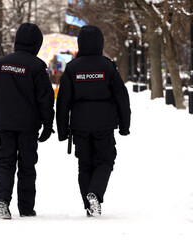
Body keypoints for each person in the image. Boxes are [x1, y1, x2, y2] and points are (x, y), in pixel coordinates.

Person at [56, 25, 131, 217]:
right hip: (104, 123)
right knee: (105, 160)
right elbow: (122, 97)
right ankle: (95, 193)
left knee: (85, 164)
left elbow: (63, 101)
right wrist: (124, 126)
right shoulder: (108, 66)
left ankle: (89, 204)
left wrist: (63, 130)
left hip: (80, 124)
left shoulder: (73, 68)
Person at [0, 23, 55, 219]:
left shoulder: (1, 64)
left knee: (4, 163)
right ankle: (26, 208)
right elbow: (45, 98)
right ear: (37, 44)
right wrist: (48, 124)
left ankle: (2, 200)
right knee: (27, 165)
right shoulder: (37, 66)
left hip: (4, 124)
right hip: (28, 126)